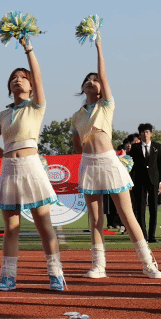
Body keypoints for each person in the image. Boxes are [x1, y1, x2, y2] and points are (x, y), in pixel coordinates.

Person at [71, 38, 161, 278]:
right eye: (88, 80)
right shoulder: (76, 116)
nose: (91, 81)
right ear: (83, 88)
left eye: (96, 80)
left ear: (102, 88)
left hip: (109, 162)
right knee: (95, 218)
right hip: (89, 164)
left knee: (127, 215)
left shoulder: (106, 105)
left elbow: (103, 74)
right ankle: (98, 265)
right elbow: (77, 145)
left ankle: (148, 263)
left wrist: (99, 47)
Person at [0, 37, 64, 291]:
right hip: (9, 171)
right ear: (9, 87)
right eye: (13, 78)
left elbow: (39, 78)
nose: (17, 80)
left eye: (23, 77)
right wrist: (6, 157)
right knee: (11, 227)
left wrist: (28, 49)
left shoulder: (36, 106)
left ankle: (56, 274)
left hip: (32, 168)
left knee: (44, 225)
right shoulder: (3, 114)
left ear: (31, 86)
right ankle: (7, 277)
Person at [129, 124, 161, 243]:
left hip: (154, 181)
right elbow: (131, 166)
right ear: (140, 134)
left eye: (147, 132)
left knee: (153, 209)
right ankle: (143, 235)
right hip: (139, 182)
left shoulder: (157, 147)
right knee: (140, 209)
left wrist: (160, 183)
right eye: (142, 132)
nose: (145, 134)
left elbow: (160, 165)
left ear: (151, 134)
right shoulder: (135, 148)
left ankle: (152, 236)